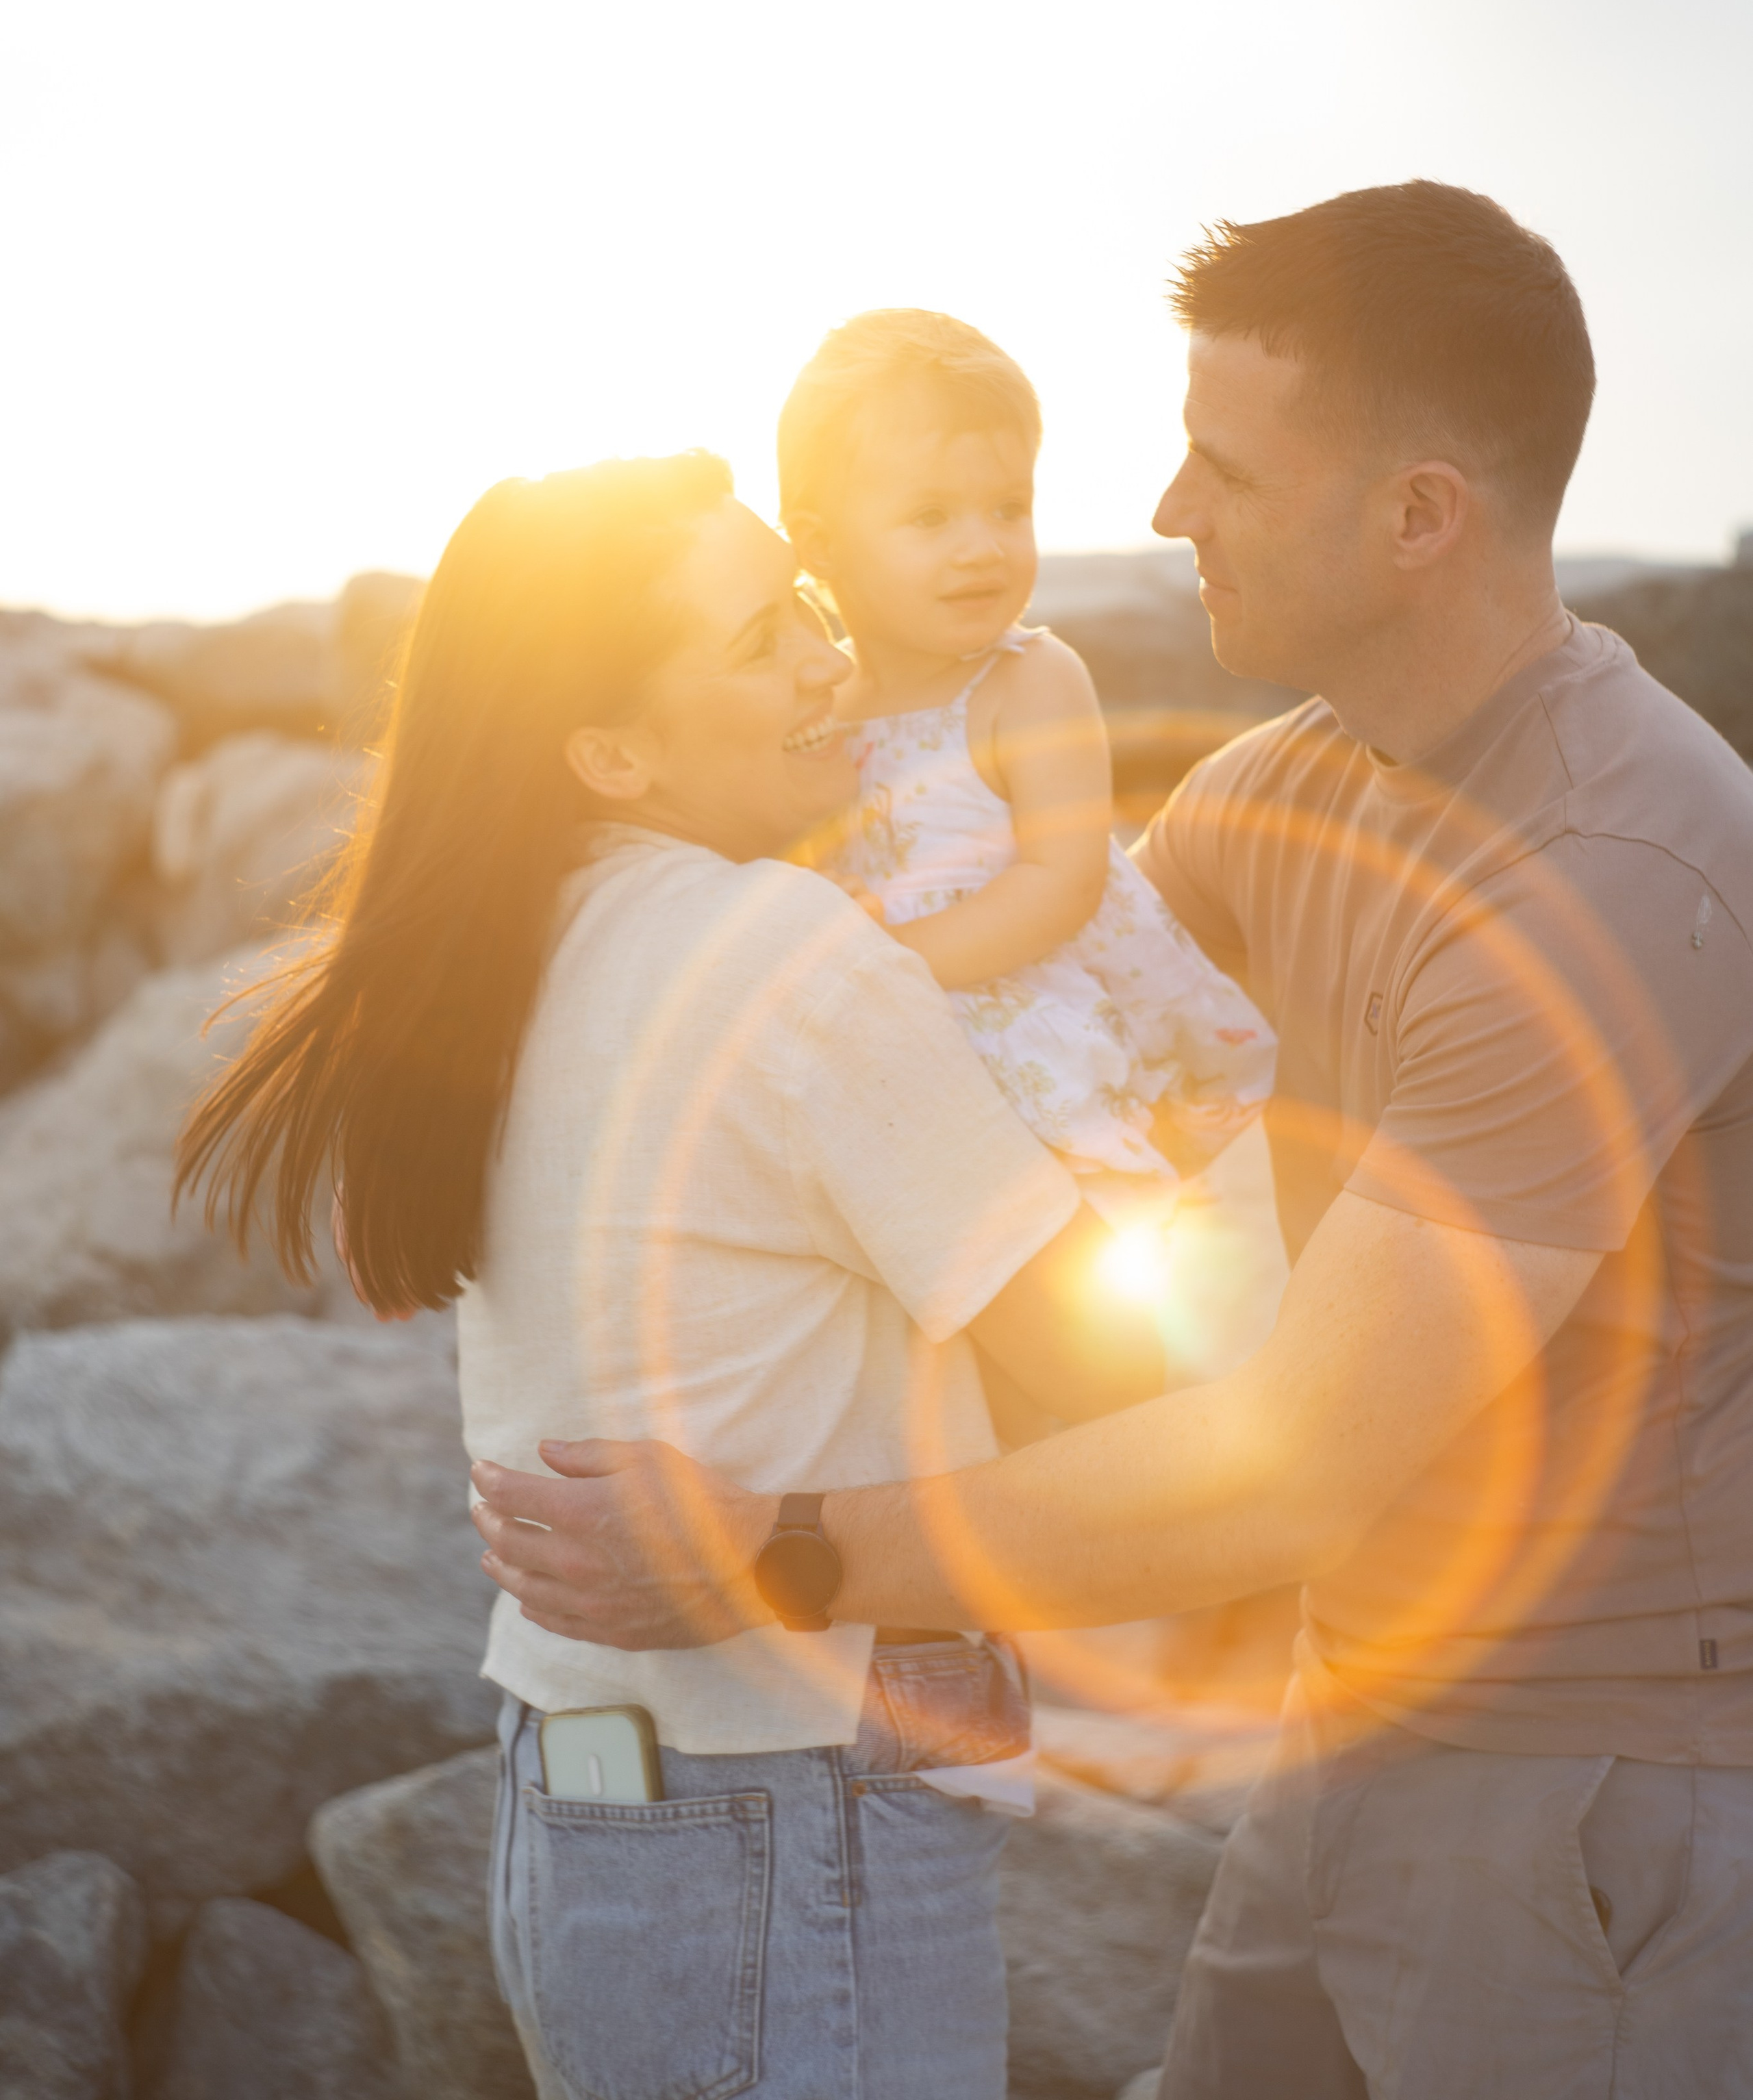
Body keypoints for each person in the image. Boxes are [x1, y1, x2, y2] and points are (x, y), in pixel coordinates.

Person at [470, 181, 1753, 2100]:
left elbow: (1291, 1472)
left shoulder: (1615, 869)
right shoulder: (1297, 787)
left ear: (1417, 517)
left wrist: (769, 1558)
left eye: (1222, 466)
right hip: (1364, 1719)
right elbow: (1008, 1032)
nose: (1162, 514)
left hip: (1588, 1783)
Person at [177, 450, 1161, 2100]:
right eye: (763, 633)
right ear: (610, 747)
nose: (825, 663)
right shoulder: (775, 951)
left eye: (814, 610)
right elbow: (1111, 1367)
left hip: (582, 1807)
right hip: (796, 1807)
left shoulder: (492, 967)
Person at [781, 308, 1273, 1230]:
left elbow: (1062, 880)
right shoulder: (818, 706)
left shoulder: (1026, 679)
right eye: (930, 517)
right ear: (818, 544)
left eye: (1009, 508)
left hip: (1021, 1010)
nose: (983, 545)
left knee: (1075, 1236)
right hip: (888, 1037)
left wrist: (894, 967)